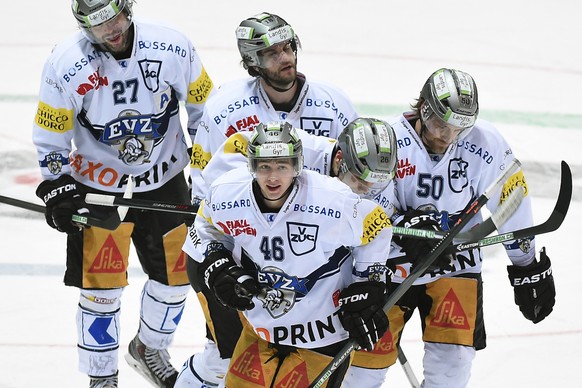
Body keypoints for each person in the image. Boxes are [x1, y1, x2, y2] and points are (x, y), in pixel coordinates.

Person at [32, 0, 215, 387]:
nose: (111, 30)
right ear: (84, 27)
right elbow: (51, 135)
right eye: (99, 25)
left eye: (115, 18)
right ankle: (102, 378)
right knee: (101, 291)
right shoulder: (66, 64)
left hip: (165, 181)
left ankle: (149, 349)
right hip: (98, 191)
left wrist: (205, 173)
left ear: (128, 9)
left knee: (178, 277)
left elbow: (205, 111)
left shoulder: (172, 47)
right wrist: (58, 186)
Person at [342, 68, 556, 388]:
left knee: (453, 367)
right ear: (424, 109)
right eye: (440, 124)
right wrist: (404, 227)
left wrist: (527, 267)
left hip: (455, 265)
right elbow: (363, 201)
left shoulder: (485, 142)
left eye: (459, 128)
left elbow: (511, 196)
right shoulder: (387, 139)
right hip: (387, 267)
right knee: (361, 373)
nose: (447, 136)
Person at [175, 117, 399, 386]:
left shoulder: (331, 198)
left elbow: (377, 226)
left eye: (282, 166)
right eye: (264, 166)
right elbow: (205, 224)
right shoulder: (227, 192)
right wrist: (216, 262)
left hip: (321, 333)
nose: (272, 177)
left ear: (297, 166)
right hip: (261, 328)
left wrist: (369, 284)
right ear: (251, 166)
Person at [189, 11, 359, 205]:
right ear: (253, 63)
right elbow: (204, 174)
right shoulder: (224, 109)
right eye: (272, 54)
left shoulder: (334, 103)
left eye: (287, 48)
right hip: (249, 221)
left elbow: (357, 166)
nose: (285, 58)